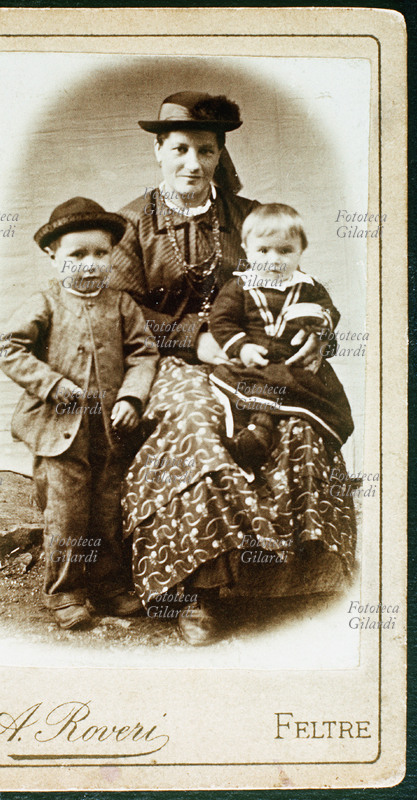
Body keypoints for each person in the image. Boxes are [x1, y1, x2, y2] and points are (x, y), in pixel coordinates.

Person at [111, 91, 357, 646]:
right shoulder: (129, 224)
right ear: (158, 151)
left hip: (255, 363)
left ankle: (289, 581)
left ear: (220, 152)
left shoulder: (250, 218)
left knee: (295, 423)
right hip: (167, 362)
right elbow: (117, 314)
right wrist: (195, 339)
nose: (192, 164)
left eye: (204, 149)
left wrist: (319, 333)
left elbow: (306, 286)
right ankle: (195, 594)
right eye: (179, 149)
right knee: (198, 424)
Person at [0, 197, 159, 629]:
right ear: (53, 257)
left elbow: (144, 354)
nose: (90, 265)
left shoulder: (122, 305)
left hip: (110, 429)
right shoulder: (46, 302)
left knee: (107, 507)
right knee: (67, 513)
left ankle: (107, 585)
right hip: (59, 430)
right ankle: (66, 591)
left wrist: (132, 398)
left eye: (100, 254)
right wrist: (51, 384)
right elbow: (7, 349)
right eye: (77, 255)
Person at [209, 203, 354, 471]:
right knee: (252, 387)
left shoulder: (309, 287)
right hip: (256, 363)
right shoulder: (239, 286)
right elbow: (221, 320)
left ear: (301, 251)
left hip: (294, 365)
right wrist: (241, 348)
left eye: (285, 251)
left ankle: (266, 430)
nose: (274, 259)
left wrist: (319, 331)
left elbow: (329, 315)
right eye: (263, 250)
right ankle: (252, 435)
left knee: (303, 393)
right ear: (246, 250)